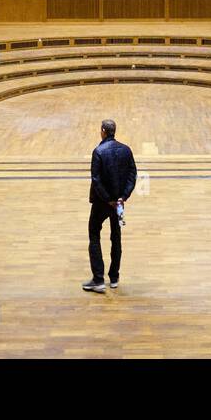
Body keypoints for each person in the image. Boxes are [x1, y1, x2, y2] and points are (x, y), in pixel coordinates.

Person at [82, 119, 137, 293]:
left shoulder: (98, 151)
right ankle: (114, 277)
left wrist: (108, 199)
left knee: (94, 233)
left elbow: (96, 180)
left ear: (103, 131)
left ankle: (98, 280)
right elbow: (132, 174)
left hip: (102, 202)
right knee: (116, 236)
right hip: (119, 204)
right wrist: (123, 197)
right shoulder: (126, 150)